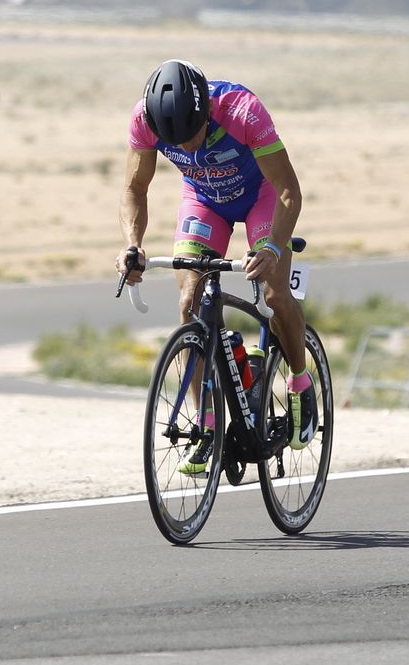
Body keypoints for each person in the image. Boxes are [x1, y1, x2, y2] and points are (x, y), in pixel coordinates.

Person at [116, 59, 316, 474]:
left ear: (206, 111)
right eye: (177, 143)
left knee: (276, 294)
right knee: (189, 303)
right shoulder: (143, 119)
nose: (188, 149)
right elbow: (135, 188)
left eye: (193, 136)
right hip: (205, 201)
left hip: (262, 196)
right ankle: (208, 422)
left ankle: (300, 382)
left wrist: (274, 249)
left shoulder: (242, 110)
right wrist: (132, 246)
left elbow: (288, 191)